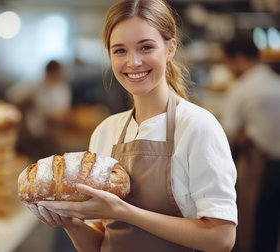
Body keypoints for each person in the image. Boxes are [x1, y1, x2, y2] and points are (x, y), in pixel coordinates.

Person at [25, 0, 238, 251]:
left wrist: (126, 212)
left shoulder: (197, 126)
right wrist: (71, 224)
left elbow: (221, 238)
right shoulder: (106, 131)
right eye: (120, 50)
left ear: (170, 48)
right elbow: (100, 242)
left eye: (146, 47)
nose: (133, 62)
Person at [221, 32, 280, 252]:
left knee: (252, 225)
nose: (227, 68)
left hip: (260, 167)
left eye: (226, 62)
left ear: (237, 58)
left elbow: (226, 135)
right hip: (276, 164)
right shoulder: (275, 81)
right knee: (272, 228)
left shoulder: (242, 89)